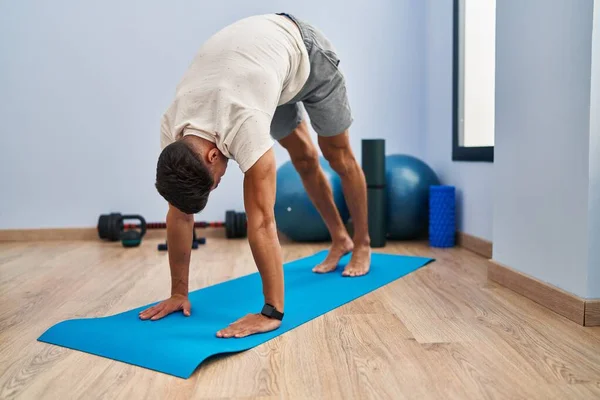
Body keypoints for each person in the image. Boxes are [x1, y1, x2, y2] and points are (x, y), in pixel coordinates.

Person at [139, 13, 371, 338]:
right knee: (304, 159)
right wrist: (179, 293)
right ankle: (340, 239)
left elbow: (262, 221)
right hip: (258, 75)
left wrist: (271, 312)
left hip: (303, 53)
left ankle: (361, 242)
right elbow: (180, 213)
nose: (218, 184)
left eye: (214, 182)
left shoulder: (242, 124)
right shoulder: (174, 128)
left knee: (337, 156)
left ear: (213, 154)